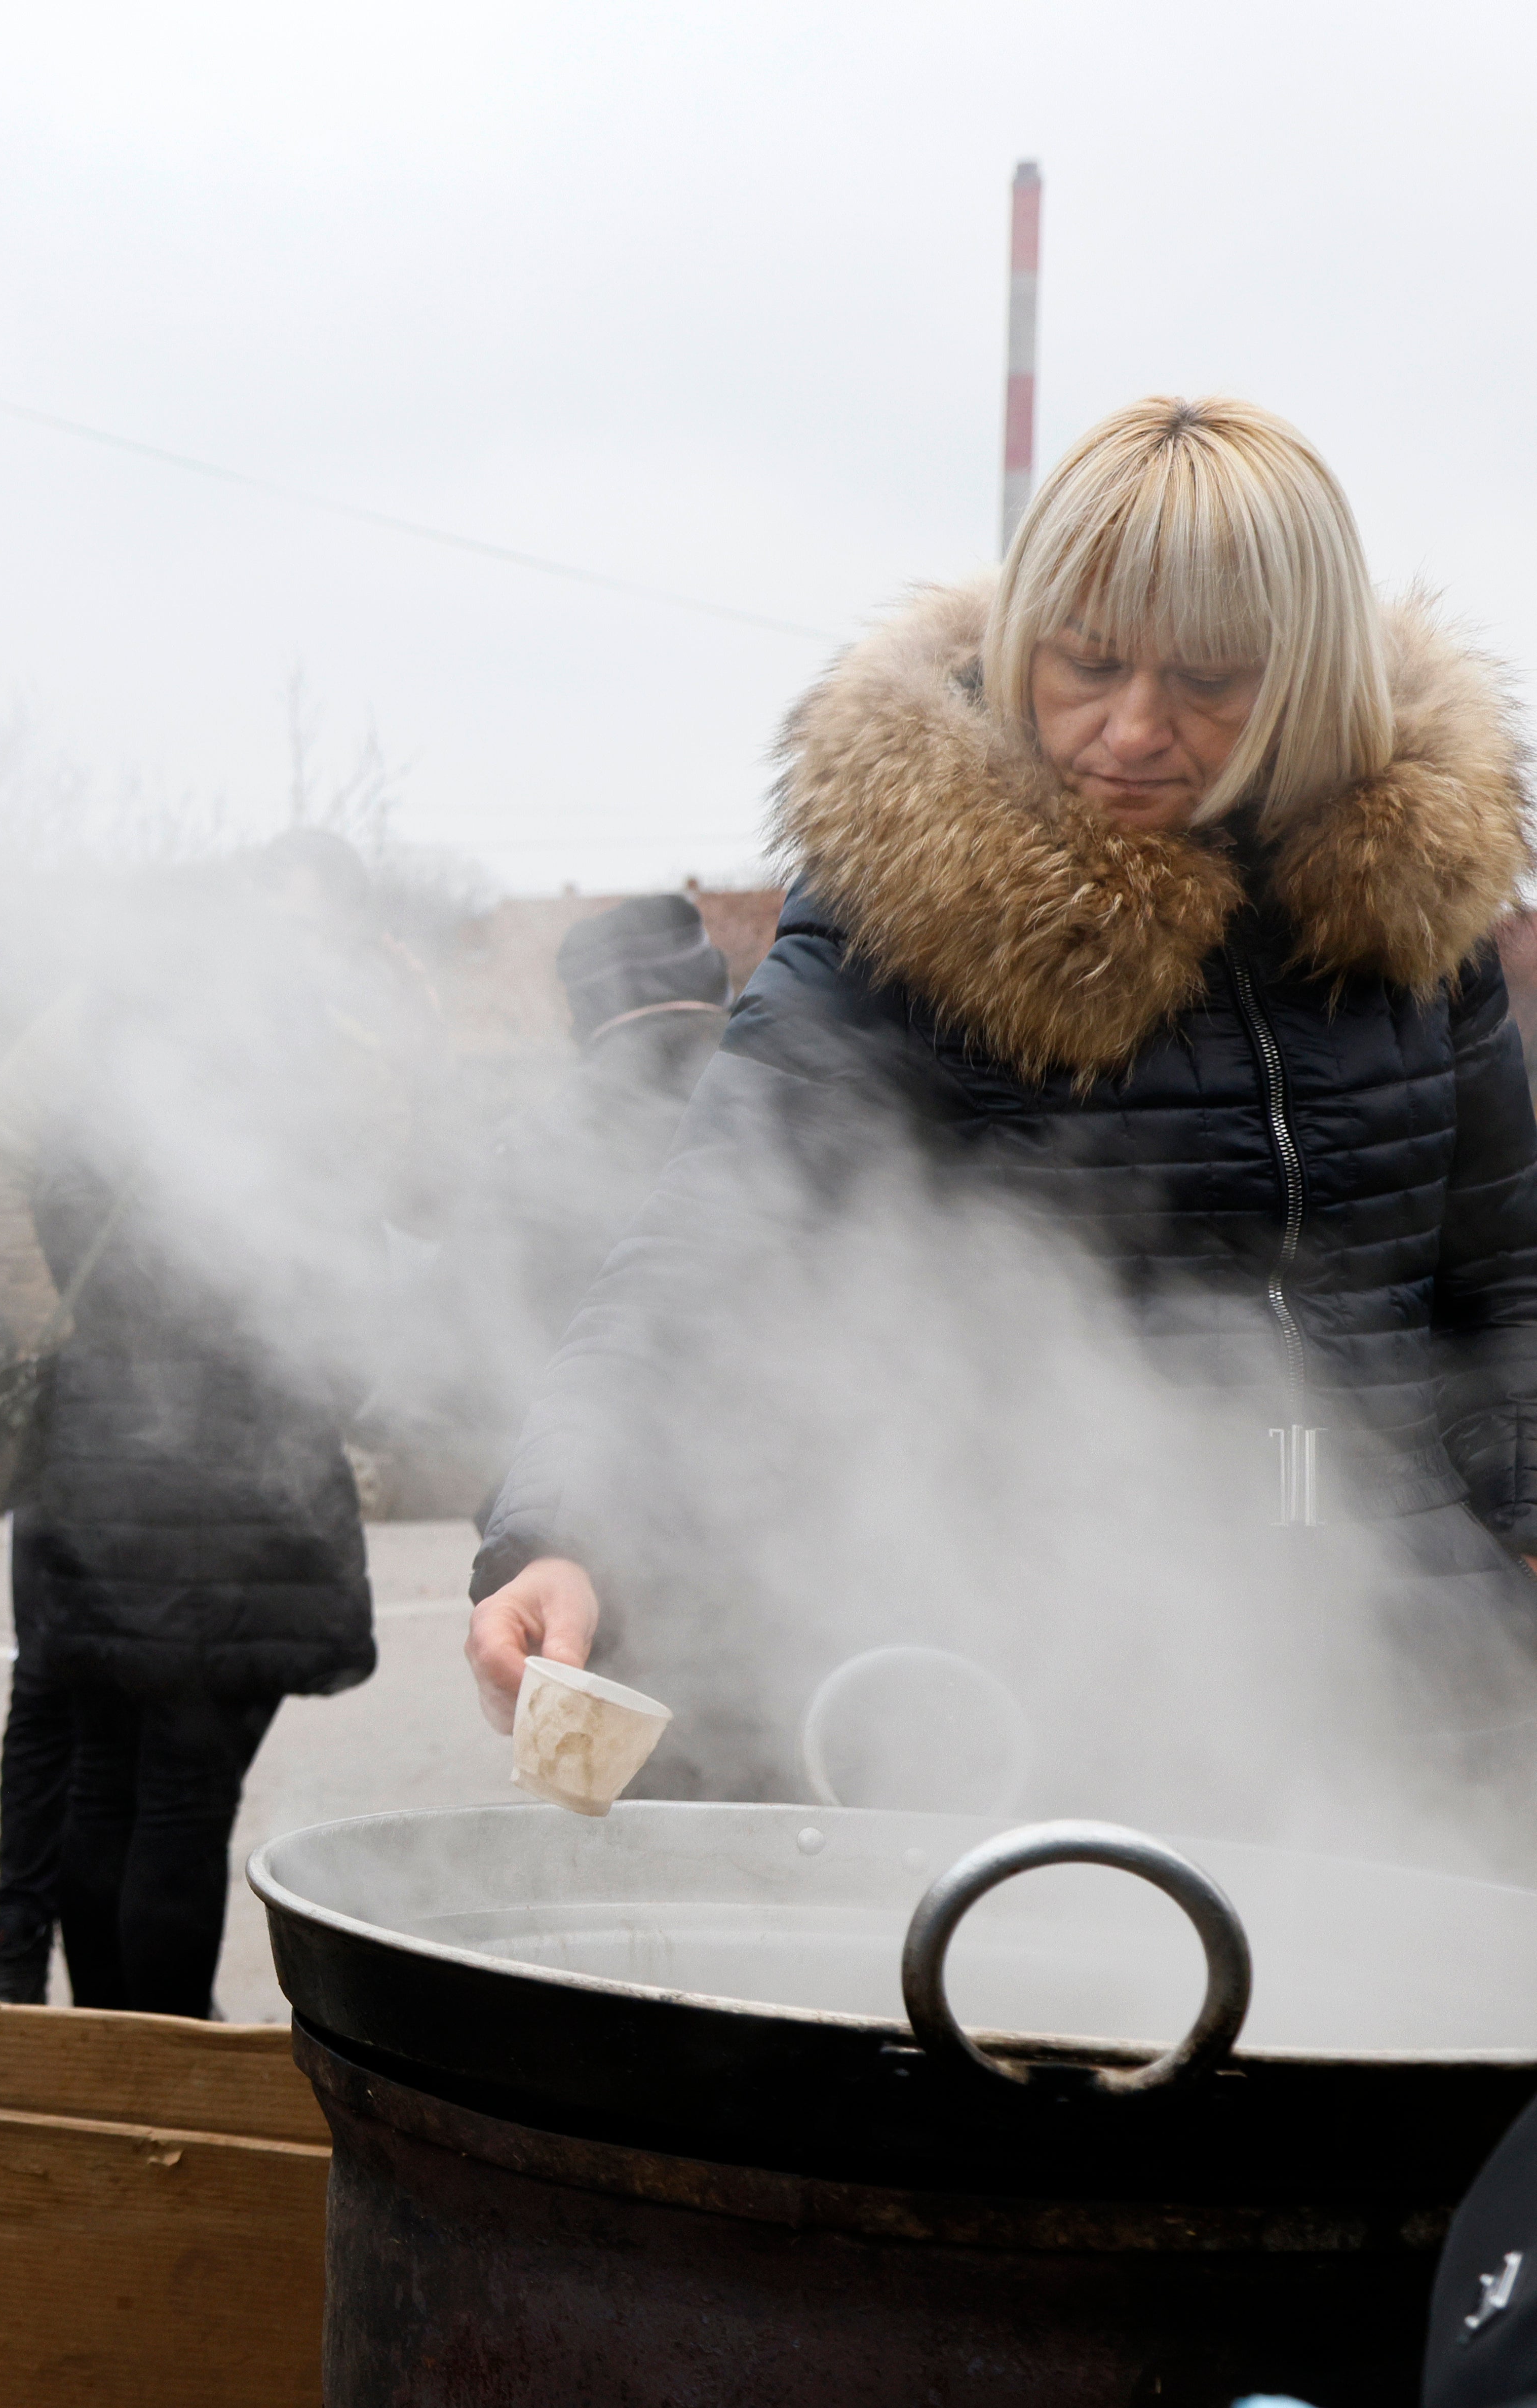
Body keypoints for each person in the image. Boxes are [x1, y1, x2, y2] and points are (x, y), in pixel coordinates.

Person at [466, 399, 1537, 1805]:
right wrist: (562, 1531)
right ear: (1022, 629)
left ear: (1309, 680)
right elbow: (699, 1258)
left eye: (1209, 680)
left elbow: (1501, 1277)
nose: (1131, 729)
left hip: (1404, 1687)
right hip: (1045, 1684)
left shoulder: (1411, 922)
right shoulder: (897, 920)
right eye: (1083, 662)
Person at [0, 834, 412, 2015]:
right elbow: (354, 1253)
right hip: (238, 1464)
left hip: (102, 1454)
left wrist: (67, 1347)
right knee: (186, 1792)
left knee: (108, 1766)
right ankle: (164, 2054)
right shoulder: (305, 1057)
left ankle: (109, 2042)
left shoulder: (99, 1043)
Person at [413, 896, 729, 1507]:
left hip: (579, 1525)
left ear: (582, 1011)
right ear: (714, 979)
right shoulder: (803, 1101)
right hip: (793, 1525)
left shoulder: (529, 1147)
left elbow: (447, 1371)